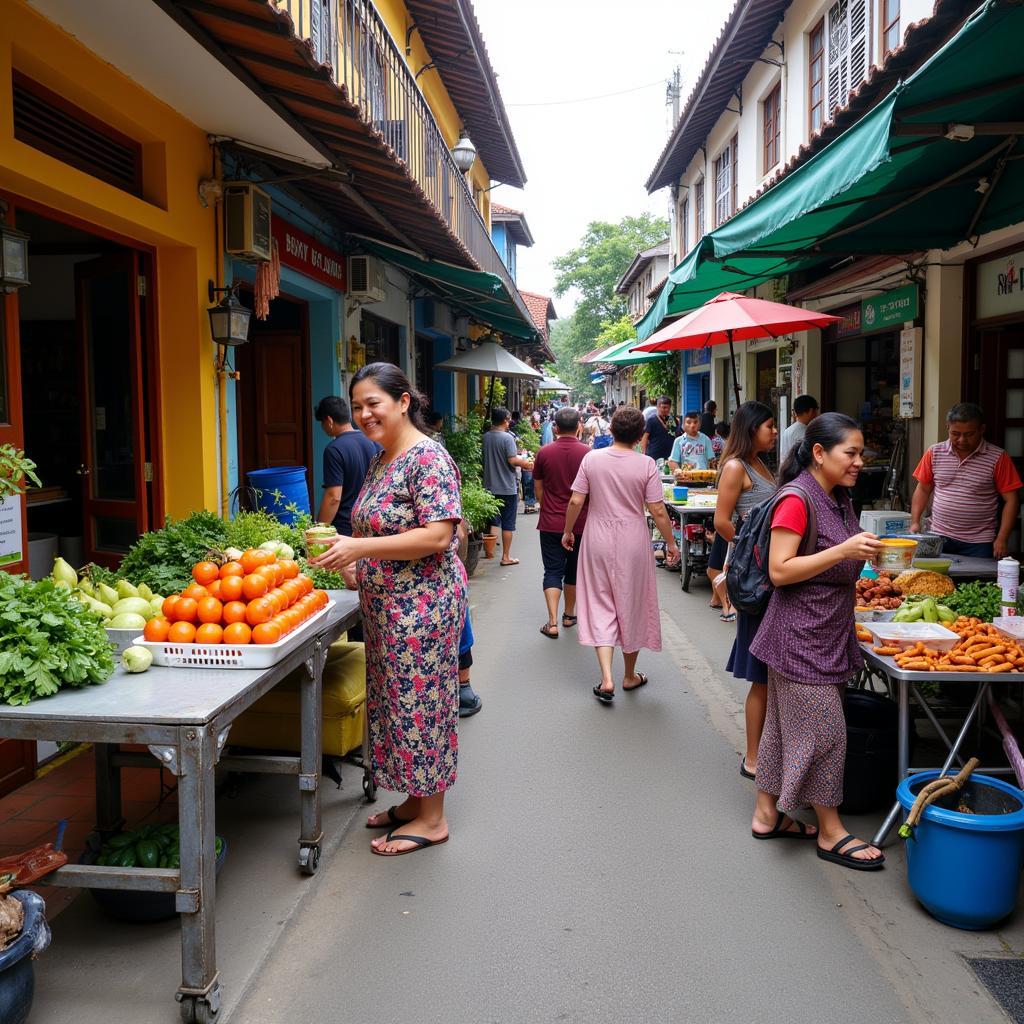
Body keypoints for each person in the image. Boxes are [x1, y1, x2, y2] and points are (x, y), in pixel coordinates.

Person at [311, 362, 466, 857]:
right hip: (388, 609)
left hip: (421, 611)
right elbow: (384, 534)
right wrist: (355, 559)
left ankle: (434, 818)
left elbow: (439, 535)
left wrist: (359, 549)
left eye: (372, 403)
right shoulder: (383, 458)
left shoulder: (428, 459)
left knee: (423, 708)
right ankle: (412, 804)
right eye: (357, 406)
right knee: (397, 707)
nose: (363, 414)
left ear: (403, 401)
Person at [748, 413, 885, 869]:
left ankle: (768, 813)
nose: (859, 462)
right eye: (851, 453)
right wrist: (845, 551)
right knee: (826, 733)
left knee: (781, 731)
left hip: (822, 632)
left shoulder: (837, 497)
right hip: (799, 638)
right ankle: (830, 830)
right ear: (820, 453)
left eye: (861, 454)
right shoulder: (797, 498)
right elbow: (780, 570)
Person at [562, 406, 681, 704]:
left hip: (597, 537)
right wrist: (671, 544)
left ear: (611, 430)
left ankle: (606, 678)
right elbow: (657, 510)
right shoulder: (646, 464)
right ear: (641, 434)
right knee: (631, 601)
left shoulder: (592, 459)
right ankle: (629, 675)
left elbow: (576, 499)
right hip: (633, 539)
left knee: (601, 601)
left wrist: (567, 531)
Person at [714, 401, 778, 771]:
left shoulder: (759, 462)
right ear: (751, 427)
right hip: (755, 573)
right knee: (759, 674)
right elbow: (722, 521)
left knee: (767, 673)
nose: (773, 431)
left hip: (770, 570)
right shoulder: (737, 467)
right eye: (768, 425)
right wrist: (748, 546)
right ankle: (753, 757)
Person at [910, 403, 1022, 559]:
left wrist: (1002, 538)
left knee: (976, 581)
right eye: (955, 433)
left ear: (981, 430)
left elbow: (1012, 500)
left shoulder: (998, 457)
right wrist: (915, 521)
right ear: (947, 427)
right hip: (938, 535)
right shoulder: (934, 452)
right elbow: (923, 489)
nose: (962, 440)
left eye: (969, 434)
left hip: (979, 541)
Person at [533, 407, 589, 639]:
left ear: (555, 428)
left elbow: (538, 488)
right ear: (579, 426)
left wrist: (549, 507)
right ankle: (569, 615)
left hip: (550, 523)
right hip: (580, 523)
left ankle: (553, 622)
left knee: (552, 570)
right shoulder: (589, 453)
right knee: (573, 570)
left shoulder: (544, 453)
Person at [314, 395, 381, 537]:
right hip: (372, 522)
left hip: (345, 528)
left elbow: (333, 497)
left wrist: (319, 529)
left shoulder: (334, 449)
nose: (323, 428)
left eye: (322, 423)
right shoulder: (373, 441)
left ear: (329, 420)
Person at [483, 406, 534, 565]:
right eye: (509, 419)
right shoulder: (507, 438)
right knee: (508, 524)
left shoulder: (486, 437)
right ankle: (505, 557)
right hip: (507, 487)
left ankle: (490, 553)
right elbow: (512, 460)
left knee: (494, 521)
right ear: (505, 420)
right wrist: (526, 463)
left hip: (490, 486)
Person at [779, 395, 820, 461]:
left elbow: (783, 456)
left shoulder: (787, 431)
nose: (817, 414)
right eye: (816, 410)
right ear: (811, 411)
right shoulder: (807, 433)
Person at [640, 395, 680, 461]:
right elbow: (645, 438)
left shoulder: (673, 420)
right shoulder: (651, 420)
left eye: (668, 408)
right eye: (664, 408)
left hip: (670, 456)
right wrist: (644, 455)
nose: (666, 410)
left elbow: (676, 436)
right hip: (654, 456)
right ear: (658, 407)